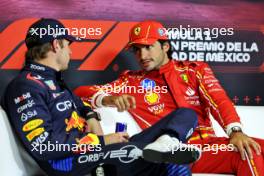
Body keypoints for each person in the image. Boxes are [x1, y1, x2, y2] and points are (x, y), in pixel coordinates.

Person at [0, 18, 201, 176]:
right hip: (71, 164)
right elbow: (45, 147)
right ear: (55, 45)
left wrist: (91, 116)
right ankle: (161, 150)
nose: (70, 51)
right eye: (68, 44)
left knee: (186, 114)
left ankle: (166, 141)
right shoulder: (25, 86)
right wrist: (103, 141)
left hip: (96, 151)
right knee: (166, 162)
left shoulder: (54, 80)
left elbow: (81, 104)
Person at [75, 20, 264, 175]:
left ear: (165, 46)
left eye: (148, 47)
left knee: (253, 148)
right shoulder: (131, 81)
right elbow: (80, 92)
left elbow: (219, 100)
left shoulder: (194, 70)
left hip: (207, 148)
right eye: (137, 49)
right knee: (249, 153)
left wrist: (235, 131)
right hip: (168, 154)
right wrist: (109, 99)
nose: (142, 55)